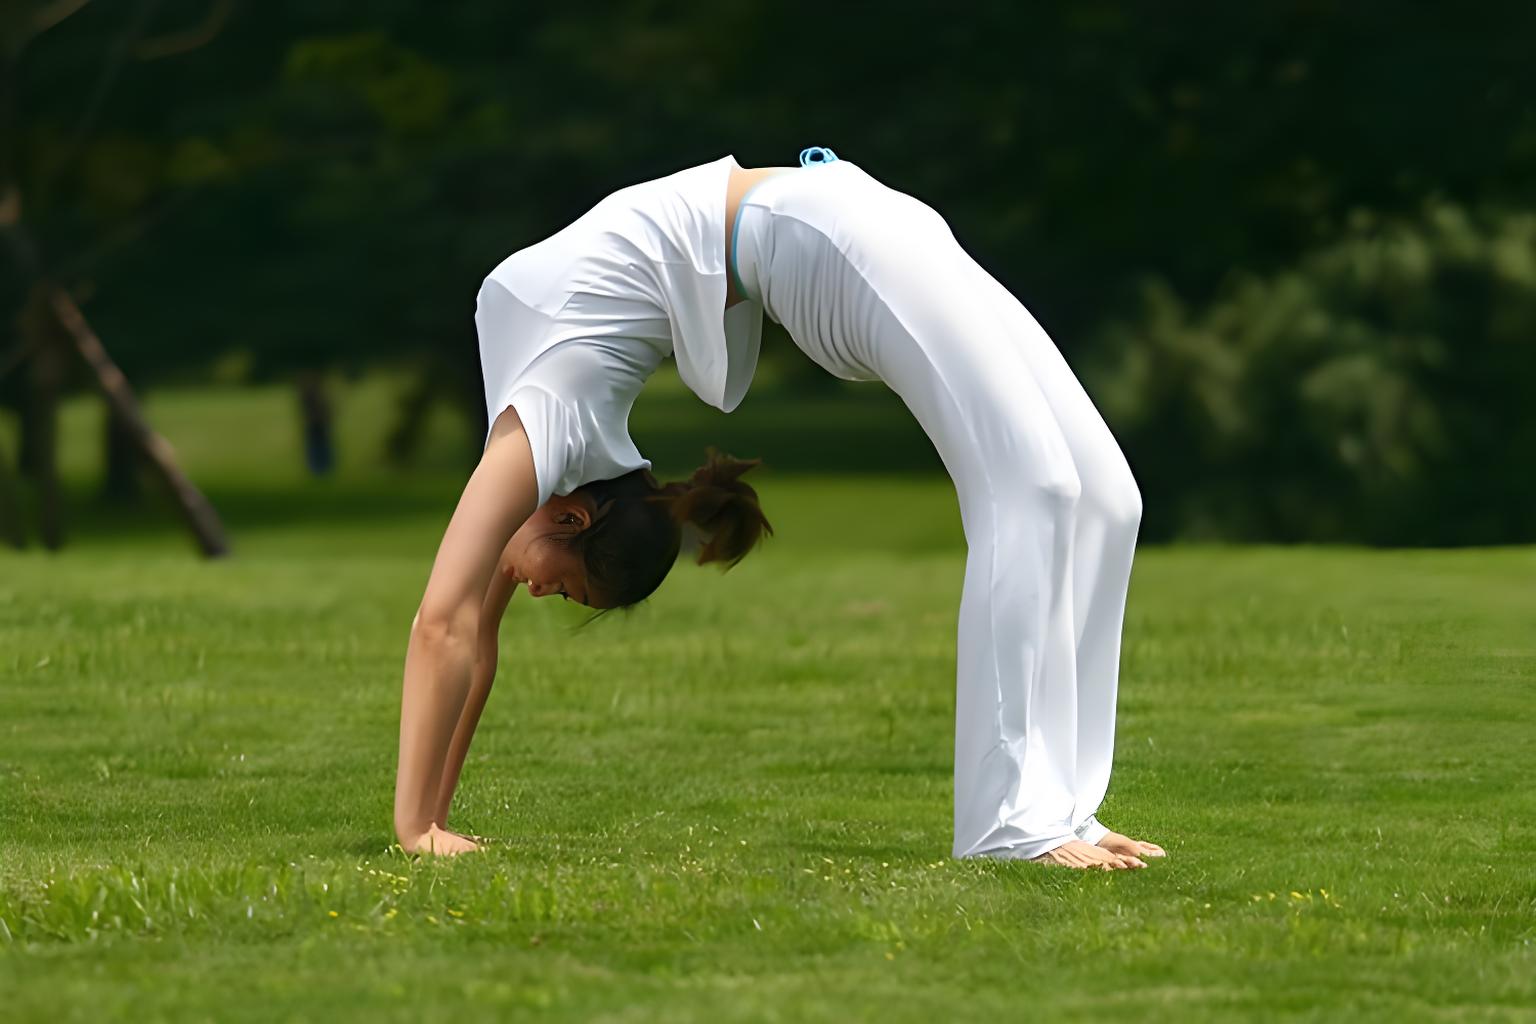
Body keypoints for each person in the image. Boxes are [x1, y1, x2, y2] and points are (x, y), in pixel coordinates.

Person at [393, 147, 1165, 871]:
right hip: (833, 221)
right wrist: (436, 820)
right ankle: (1049, 812)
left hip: (829, 235)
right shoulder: (549, 467)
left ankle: (1026, 820)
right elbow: (477, 635)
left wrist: (411, 829)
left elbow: (444, 624)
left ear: (574, 521)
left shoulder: (542, 430)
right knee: (1064, 491)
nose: (535, 591)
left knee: (1099, 497)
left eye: (559, 586)